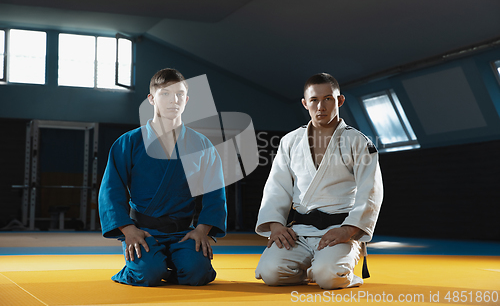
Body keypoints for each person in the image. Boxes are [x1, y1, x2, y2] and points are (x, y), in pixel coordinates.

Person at [99, 68, 227, 287]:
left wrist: (201, 230)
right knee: (148, 274)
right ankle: (136, 269)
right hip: (143, 231)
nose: (173, 100)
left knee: (197, 274)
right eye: (165, 94)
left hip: (184, 232)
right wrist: (128, 230)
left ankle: (177, 264)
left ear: (186, 100)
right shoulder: (128, 142)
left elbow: (216, 193)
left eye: (179, 94)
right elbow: (111, 189)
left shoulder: (202, 145)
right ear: (151, 99)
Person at [255, 73, 383, 289]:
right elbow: (277, 187)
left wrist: (349, 231)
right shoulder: (290, 141)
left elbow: (371, 191)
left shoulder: (358, 142)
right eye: (314, 100)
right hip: (300, 232)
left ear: (340, 100)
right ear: (305, 104)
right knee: (271, 274)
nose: (320, 106)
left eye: (328, 99)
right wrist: (276, 225)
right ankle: (311, 268)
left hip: (340, 231)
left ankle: (339, 269)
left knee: (329, 277)